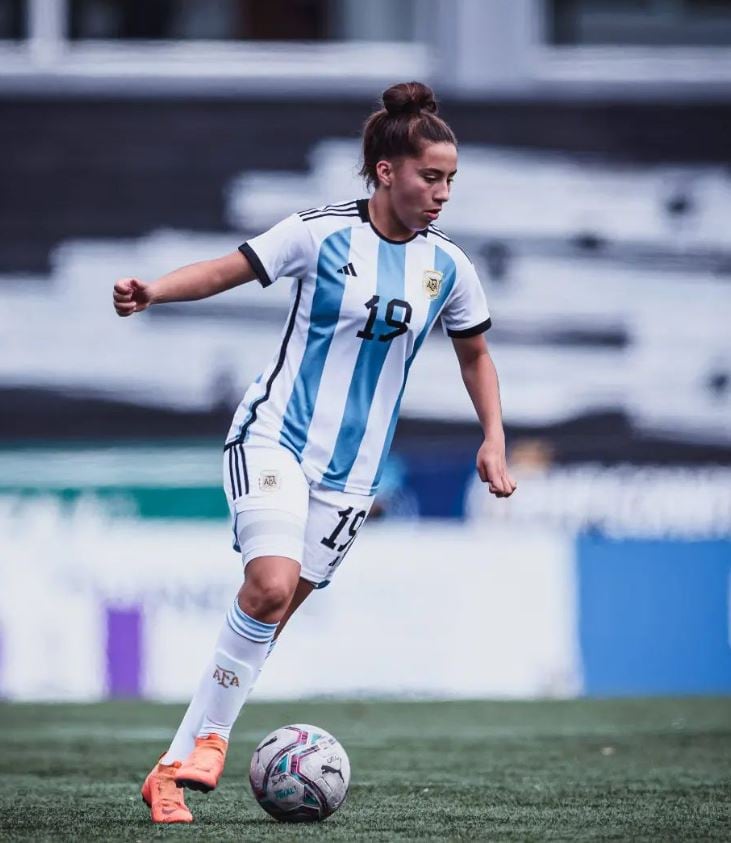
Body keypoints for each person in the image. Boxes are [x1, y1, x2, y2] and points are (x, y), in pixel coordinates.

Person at [113, 80, 517, 824]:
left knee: (268, 620)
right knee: (266, 587)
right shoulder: (318, 232)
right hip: (275, 438)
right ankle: (208, 739)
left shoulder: (449, 266)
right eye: (431, 176)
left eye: (451, 179)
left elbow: (475, 354)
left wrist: (492, 436)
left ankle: (171, 769)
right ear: (386, 171)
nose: (442, 193)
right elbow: (225, 268)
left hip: (351, 479)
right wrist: (154, 292)